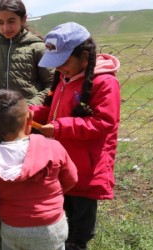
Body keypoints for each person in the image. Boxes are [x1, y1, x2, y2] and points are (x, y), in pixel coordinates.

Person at [29, 22, 121, 250]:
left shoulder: (105, 82)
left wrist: (60, 127)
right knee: (65, 201)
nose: (59, 68)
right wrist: (27, 112)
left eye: (63, 62)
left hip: (87, 163)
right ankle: (65, 239)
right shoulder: (64, 78)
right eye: (55, 64)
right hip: (64, 158)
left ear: (84, 56)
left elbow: (104, 122)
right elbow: (51, 110)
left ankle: (78, 243)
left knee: (82, 209)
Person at [0, 0, 54, 206]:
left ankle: (29, 205)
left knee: (27, 162)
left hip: (27, 120)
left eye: (11, 21)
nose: (6, 27)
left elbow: (51, 84)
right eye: (0, 22)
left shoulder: (38, 48)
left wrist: (28, 107)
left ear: (23, 20)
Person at [0, 89, 78, 250]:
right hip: (52, 227)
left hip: (13, 229)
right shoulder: (54, 147)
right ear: (30, 117)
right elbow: (71, 179)